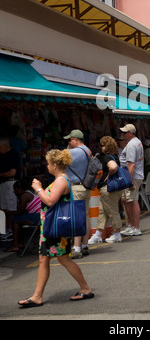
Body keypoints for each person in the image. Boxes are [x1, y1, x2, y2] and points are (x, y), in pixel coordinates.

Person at [18, 149, 94, 308]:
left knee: (62, 259)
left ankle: (85, 288)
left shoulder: (61, 180)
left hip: (56, 228)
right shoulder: (60, 179)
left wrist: (38, 189)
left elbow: (51, 201)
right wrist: (41, 189)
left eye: (47, 163)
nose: (46, 166)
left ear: (54, 165)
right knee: (45, 259)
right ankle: (37, 296)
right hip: (51, 227)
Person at [88, 136, 122, 244]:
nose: (101, 148)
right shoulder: (115, 156)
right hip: (113, 188)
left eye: (102, 145)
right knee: (103, 211)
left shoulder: (108, 158)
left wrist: (108, 176)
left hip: (107, 187)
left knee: (112, 211)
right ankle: (98, 234)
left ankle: (117, 233)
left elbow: (113, 167)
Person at [64, 129, 92, 259]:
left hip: (76, 188)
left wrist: (67, 148)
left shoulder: (72, 152)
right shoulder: (87, 150)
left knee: (76, 218)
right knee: (85, 216)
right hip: (86, 187)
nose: (68, 142)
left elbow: (57, 161)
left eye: (69, 140)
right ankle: (85, 245)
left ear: (75, 140)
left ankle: (76, 248)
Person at [119, 124, 144, 236]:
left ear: (130, 133)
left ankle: (136, 227)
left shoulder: (132, 145)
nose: (122, 135)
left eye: (124, 133)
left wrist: (128, 181)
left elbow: (131, 164)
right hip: (133, 176)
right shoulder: (136, 142)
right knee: (127, 200)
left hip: (132, 176)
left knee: (133, 201)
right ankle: (131, 226)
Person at [4, 179, 41, 253]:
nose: (14, 192)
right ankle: (20, 243)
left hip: (37, 217)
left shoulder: (24, 196)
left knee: (15, 220)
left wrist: (7, 212)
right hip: (39, 216)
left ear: (19, 189)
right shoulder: (29, 193)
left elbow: (20, 211)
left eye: (15, 190)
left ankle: (16, 245)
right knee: (19, 219)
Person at [0, 136, 21, 240]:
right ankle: (5, 231)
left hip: (10, 184)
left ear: (5, 145)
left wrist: (1, 175)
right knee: (3, 209)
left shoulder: (13, 154)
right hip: (3, 184)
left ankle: (11, 231)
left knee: (11, 209)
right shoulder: (3, 155)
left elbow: (13, 172)